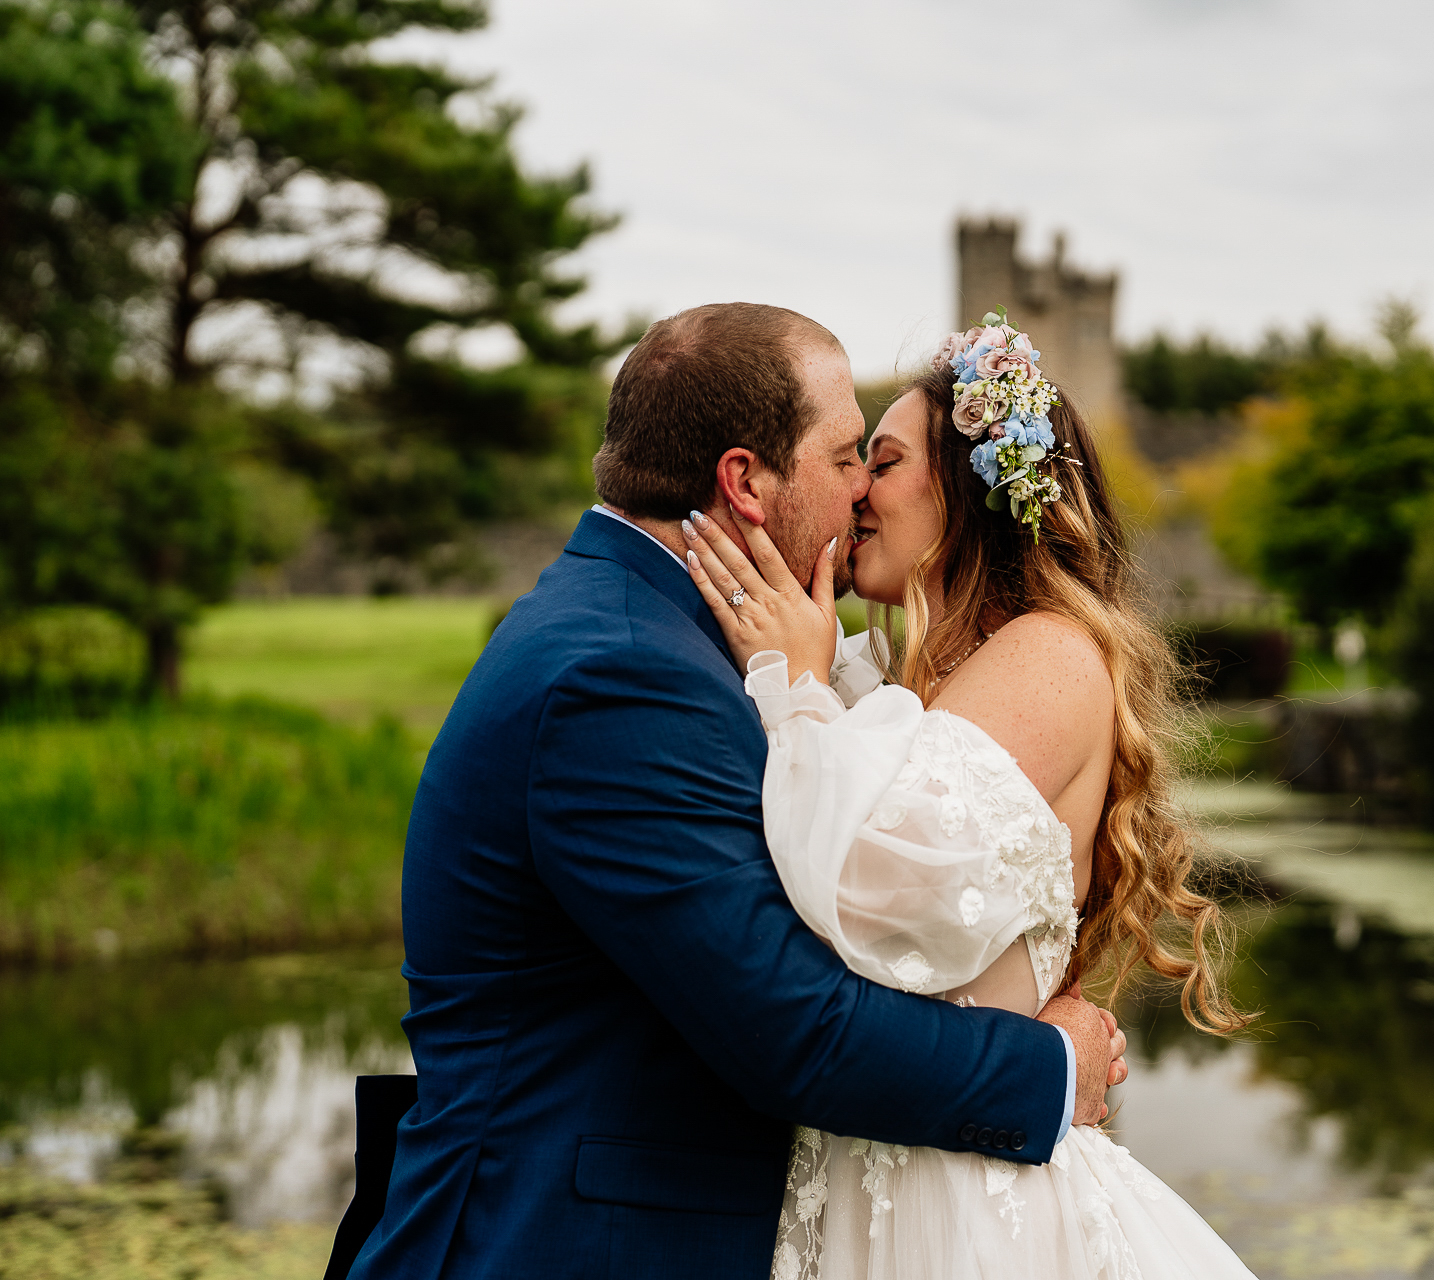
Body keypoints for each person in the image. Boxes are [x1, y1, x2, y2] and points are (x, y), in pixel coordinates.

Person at [344, 303, 1124, 1280]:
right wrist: (1049, 1071)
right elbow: (789, 1024)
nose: (858, 495)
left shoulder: (669, 637)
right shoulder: (623, 671)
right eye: (847, 458)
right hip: (557, 1241)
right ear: (746, 481)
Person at [681, 311, 1257, 1278]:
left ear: (968, 492)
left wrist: (796, 684)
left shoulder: (1048, 656)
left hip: (967, 1214)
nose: (857, 489)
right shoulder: (898, 684)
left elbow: (873, 890)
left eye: (887, 460)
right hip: (860, 1189)